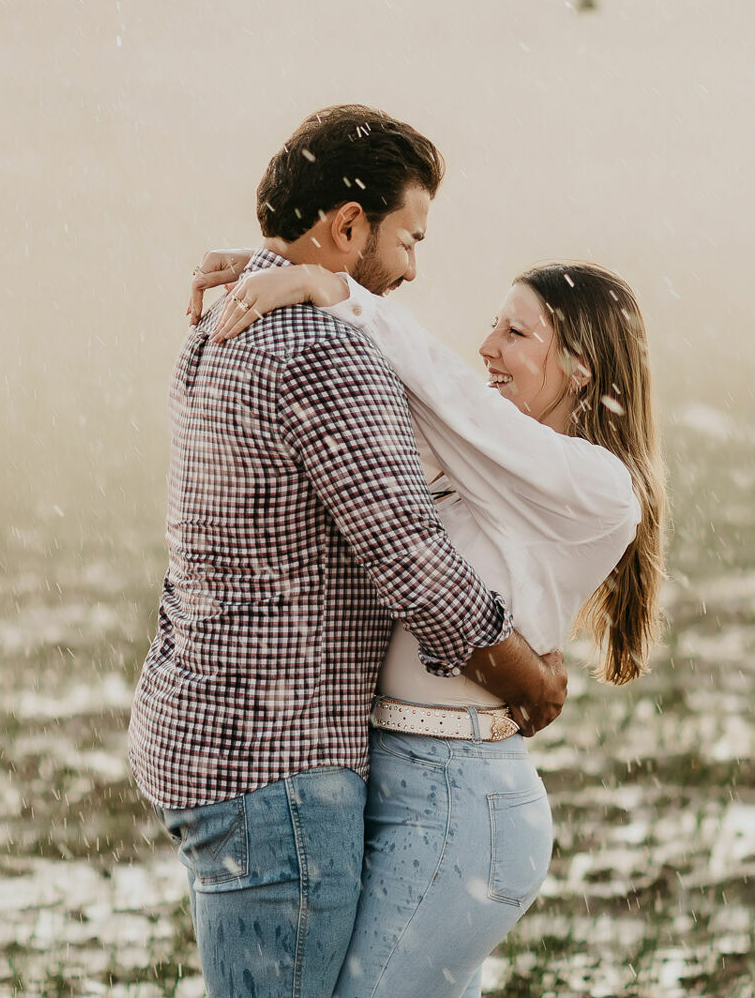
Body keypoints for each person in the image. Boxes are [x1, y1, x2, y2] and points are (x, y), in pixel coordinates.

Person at [127, 105, 567, 998]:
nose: (412, 268)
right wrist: (532, 681)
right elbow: (413, 560)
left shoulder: (223, 324)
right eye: (409, 238)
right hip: (278, 767)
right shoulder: (323, 350)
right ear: (349, 225)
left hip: (207, 733)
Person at [191, 248, 668, 998]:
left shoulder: (599, 487)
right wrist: (272, 262)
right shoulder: (479, 463)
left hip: (462, 805)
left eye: (516, 332)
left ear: (581, 367)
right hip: (391, 780)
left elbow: (450, 394)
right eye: (494, 326)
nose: (488, 347)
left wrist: (328, 283)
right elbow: (376, 399)